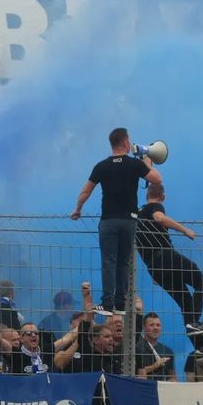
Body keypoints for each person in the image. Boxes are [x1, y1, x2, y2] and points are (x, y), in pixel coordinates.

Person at [71, 128, 162, 315]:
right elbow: (157, 179)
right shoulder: (134, 165)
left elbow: (86, 191)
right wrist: (146, 161)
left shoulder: (101, 166)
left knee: (108, 261)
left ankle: (107, 304)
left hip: (108, 221)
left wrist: (78, 209)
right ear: (126, 143)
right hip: (129, 221)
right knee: (124, 262)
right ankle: (121, 304)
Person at [136, 183, 203, 340]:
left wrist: (155, 272)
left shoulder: (137, 215)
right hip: (166, 256)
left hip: (153, 267)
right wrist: (185, 230)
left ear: (146, 195)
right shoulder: (155, 207)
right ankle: (194, 323)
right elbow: (160, 218)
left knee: (186, 303)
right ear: (163, 197)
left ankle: (200, 347)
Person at [135, 312, 177, 381]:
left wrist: (172, 382)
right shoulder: (137, 348)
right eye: (151, 325)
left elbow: (172, 376)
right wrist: (155, 366)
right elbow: (134, 372)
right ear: (144, 328)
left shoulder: (168, 351)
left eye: (158, 325)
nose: (156, 328)